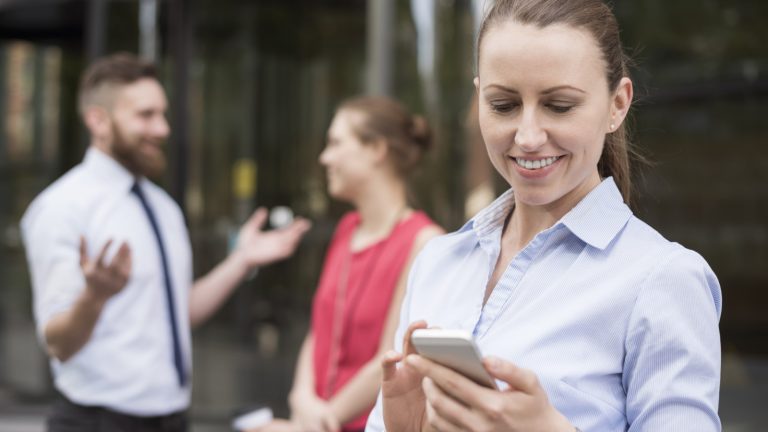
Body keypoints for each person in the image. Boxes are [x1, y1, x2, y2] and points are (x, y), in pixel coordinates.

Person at [366, 1, 723, 431]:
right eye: (503, 105)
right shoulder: (437, 263)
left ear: (618, 104)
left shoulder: (664, 280)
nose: (528, 136)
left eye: (559, 105)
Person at [20, 52, 311, 432]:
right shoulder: (62, 207)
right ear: (98, 121)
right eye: (145, 115)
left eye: (163, 114)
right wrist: (94, 296)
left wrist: (241, 260)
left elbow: (177, 310)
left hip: (171, 420)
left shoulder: (164, 208)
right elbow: (59, 342)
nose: (162, 129)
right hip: (98, 422)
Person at [254, 96, 443, 432]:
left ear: (376, 150)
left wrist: (315, 423)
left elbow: (391, 357)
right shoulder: (346, 230)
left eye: (336, 143)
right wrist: (301, 399)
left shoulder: (423, 241)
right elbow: (318, 332)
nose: (325, 158)